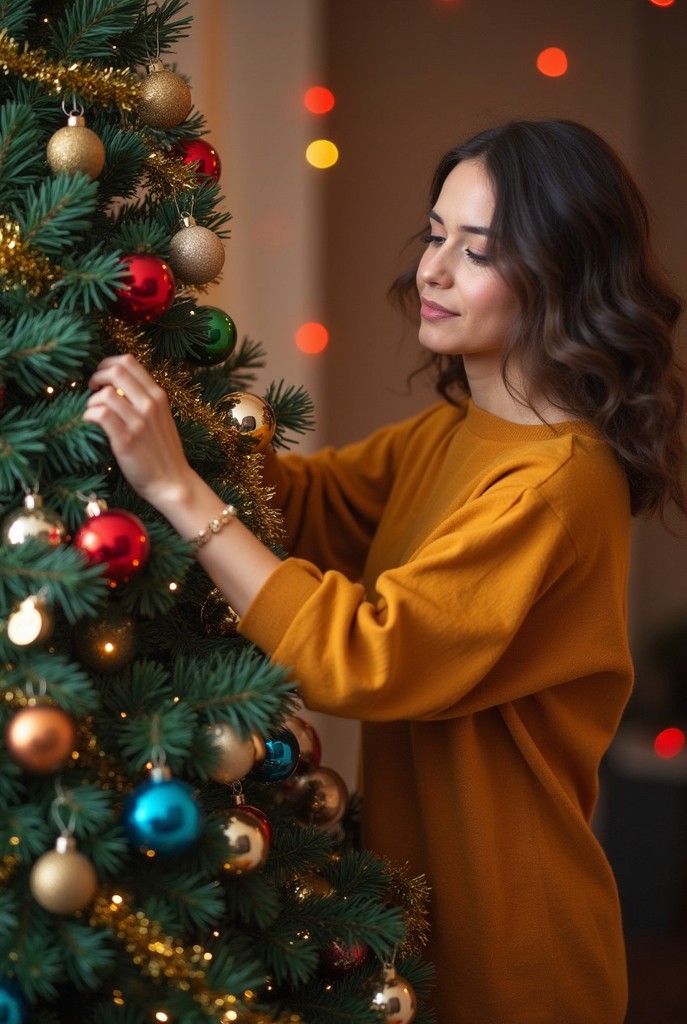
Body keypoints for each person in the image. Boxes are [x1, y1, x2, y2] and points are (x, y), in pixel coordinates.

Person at [84, 119, 687, 1023]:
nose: (432, 270)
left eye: (475, 250)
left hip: (517, 950)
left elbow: (366, 656)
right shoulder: (455, 432)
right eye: (435, 234)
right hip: (417, 917)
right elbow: (308, 506)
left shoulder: (556, 483)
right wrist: (184, 414)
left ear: (562, 273)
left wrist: (175, 489)